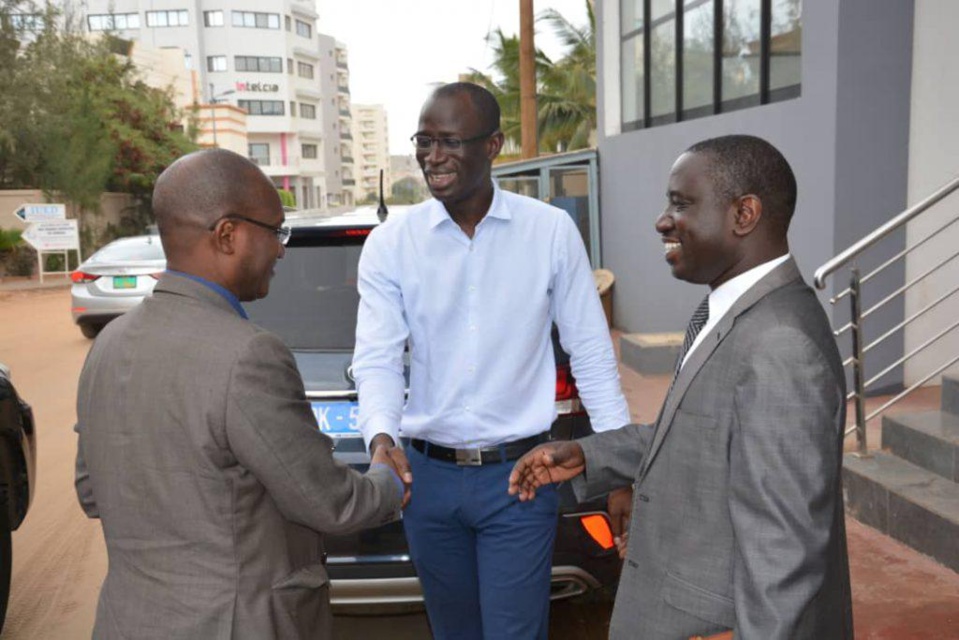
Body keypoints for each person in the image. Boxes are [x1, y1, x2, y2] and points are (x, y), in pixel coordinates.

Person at [509, 135, 853, 639]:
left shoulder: (781, 343)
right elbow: (704, 436)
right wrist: (589, 455)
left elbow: (784, 555)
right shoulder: (728, 313)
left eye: (681, 203)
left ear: (744, 214)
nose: (662, 220)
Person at [74, 148, 404, 640]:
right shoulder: (248, 355)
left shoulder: (108, 344)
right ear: (227, 235)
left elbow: (91, 493)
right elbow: (331, 503)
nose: (281, 250)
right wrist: (388, 478)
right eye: (275, 230)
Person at [351, 82, 630, 639]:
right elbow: (378, 358)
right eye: (424, 142)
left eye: (449, 141)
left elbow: (592, 354)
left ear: (493, 145)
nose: (433, 157)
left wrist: (618, 468)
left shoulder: (549, 232)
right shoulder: (391, 242)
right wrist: (381, 438)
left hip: (521, 479)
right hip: (425, 481)